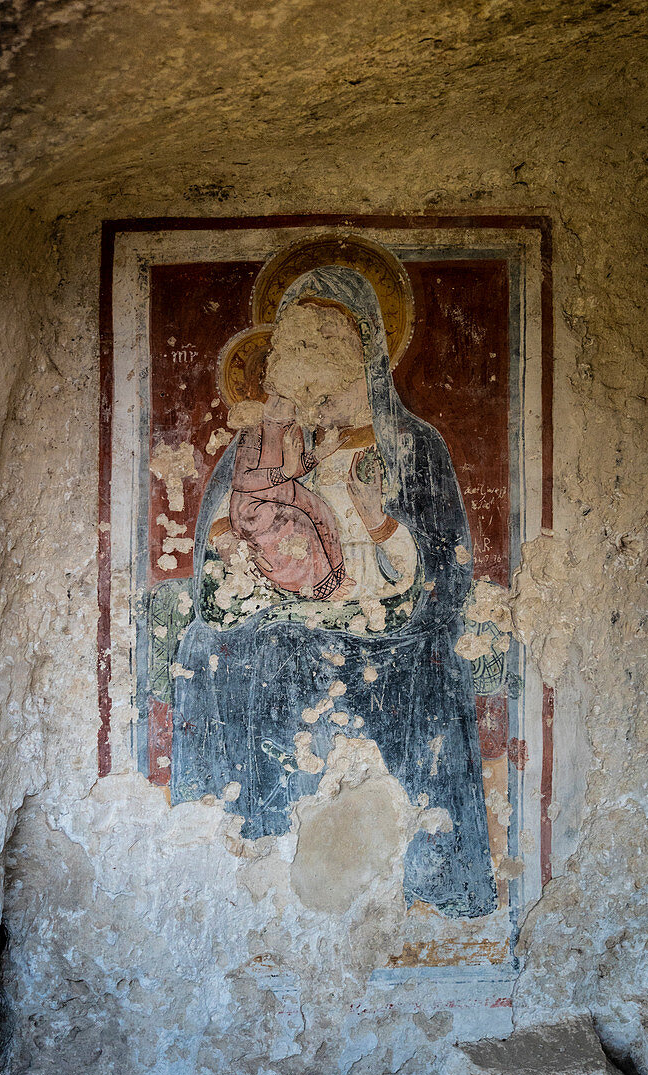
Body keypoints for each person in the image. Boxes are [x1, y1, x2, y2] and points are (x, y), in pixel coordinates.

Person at [171, 264, 497, 919]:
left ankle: (416, 885)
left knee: (378, 670)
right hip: (283, 624)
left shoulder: (410, 447)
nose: (306, 362)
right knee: (221, 648)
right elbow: (221, 552)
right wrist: (236, 552)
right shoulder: (259, 448)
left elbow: (444, 575)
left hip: (393, 640)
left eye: (324, 342)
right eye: (294, 346)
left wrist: (374, 558)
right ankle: (248, 877)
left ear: (364, 351)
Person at [228, 379, 355, 602]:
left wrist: (319, 454)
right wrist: (284, 472)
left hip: (281, 490)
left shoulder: (294, 425)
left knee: (321, 510)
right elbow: (241, 480)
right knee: (296, 522)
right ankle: (318, 586)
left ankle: (336, 576)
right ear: (269, 385)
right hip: (252, 505)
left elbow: (293, 469)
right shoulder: (254, 426)